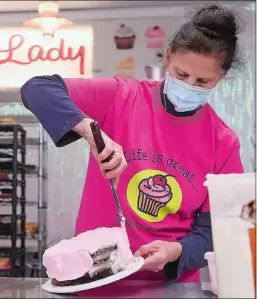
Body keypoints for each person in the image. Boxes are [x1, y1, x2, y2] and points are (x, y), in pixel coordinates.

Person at [20, 4, 246, 286]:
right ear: (168, 56)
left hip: (169, 287)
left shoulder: (222, 143)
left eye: (203, 81)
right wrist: (91, 133)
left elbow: (218, 231)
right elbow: (37, 88)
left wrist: (179, 250)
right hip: (95, 281)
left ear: (221, 76)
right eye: (181, 74)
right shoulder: (122, 97)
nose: (190, 86)